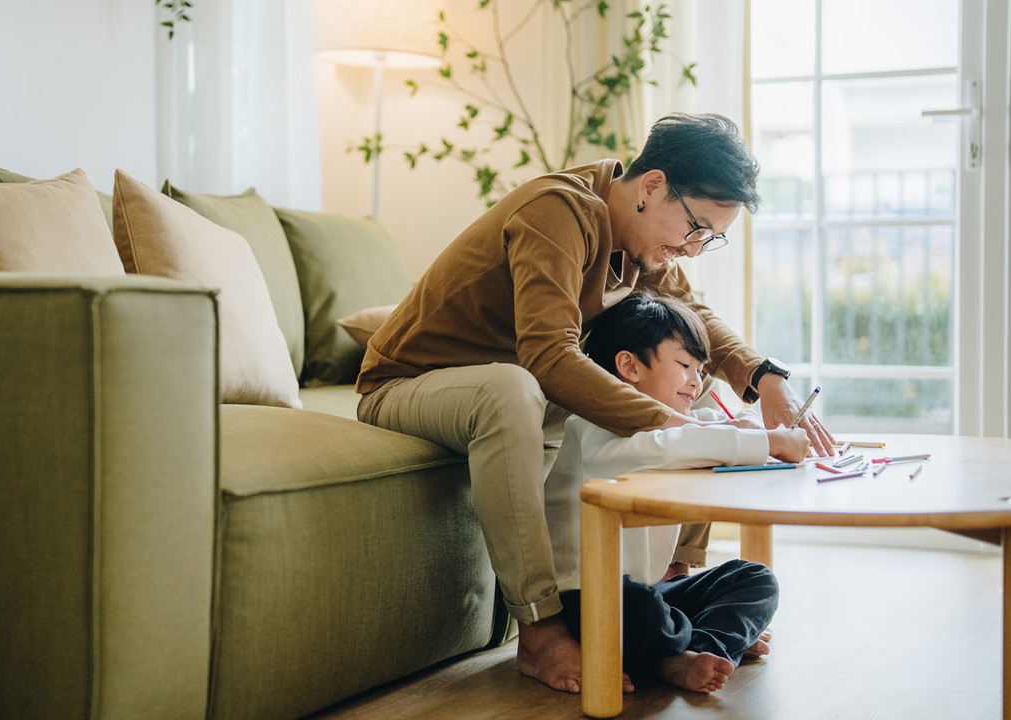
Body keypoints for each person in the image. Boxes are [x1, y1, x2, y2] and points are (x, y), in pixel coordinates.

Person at [355, 113, 835, 693]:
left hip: (512, 387)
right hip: (410, 384)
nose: (695, 247)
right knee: (518, 388)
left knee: (688, 376)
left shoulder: (639, 241)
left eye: (711, 236)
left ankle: (675, 573)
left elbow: (695, 322)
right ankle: (538, 628)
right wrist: (673, 426)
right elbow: (547, 355)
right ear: (653, 185)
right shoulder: (556, 211)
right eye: (696, 227)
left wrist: (765, 377)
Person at [546, 291, 808, 694]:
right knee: (641, 608)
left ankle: (696, 650)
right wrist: (767, 442)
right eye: (685, 365)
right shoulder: (592, 427)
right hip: (588, 599)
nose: (696, 380)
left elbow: (715, 425)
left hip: (650, 591)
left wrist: (747, 426)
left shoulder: (678, 425)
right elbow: (671, 446)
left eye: (701, 369)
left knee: (756, 579)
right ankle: (673, 653)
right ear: (629, 366)